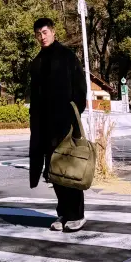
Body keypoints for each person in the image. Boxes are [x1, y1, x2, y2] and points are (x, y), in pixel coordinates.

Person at [28, 16, 88, 232]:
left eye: (45, 32)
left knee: (69, 169)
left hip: (65, 124)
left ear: (53, 32)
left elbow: (80, 90)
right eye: (38, 34)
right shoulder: (37, 62)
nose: (42, 37)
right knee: (54, 172)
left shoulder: (67, 57)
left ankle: (77, 214)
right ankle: (63, 213)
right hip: (44, 126)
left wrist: (72, 117)